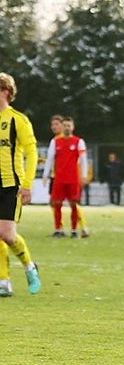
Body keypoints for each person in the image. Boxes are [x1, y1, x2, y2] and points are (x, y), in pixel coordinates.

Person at [0, 72, 41, 297]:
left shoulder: (18, 120)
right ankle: (4, 282)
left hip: (11, 185)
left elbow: (32, 152)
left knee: (7, 234)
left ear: (5, 91)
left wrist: (26, 184)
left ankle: (29, 266)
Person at [41, 116, 89, 238]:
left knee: (74, 204)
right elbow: (50, 159)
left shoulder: (79, 142)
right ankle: (58, 229)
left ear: (72, 127)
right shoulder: (55, 142)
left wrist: (84, 176)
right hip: (59, 178)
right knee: (57, 204)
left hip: (73, 179)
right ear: (63, 127)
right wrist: (45, 175)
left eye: (69, 125)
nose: (67, 128)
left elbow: (83, 160)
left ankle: (74, 230)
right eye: (65, 125)